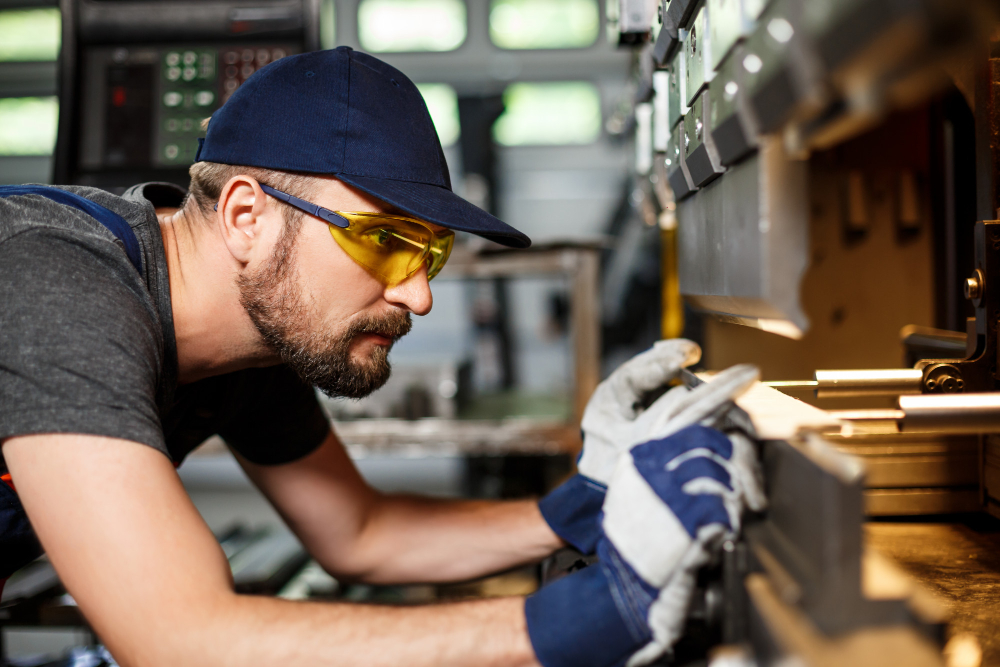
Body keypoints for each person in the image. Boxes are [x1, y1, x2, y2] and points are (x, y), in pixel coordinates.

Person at [0, 47, 762, 667]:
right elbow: (181, 639)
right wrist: (583, 617)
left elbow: (360, 532)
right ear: (244, 215)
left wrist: (577, 506)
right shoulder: (56, 282)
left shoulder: (251, 348)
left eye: (429, 252)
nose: (420, 296)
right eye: (384, 241)